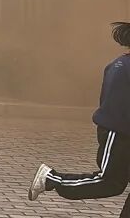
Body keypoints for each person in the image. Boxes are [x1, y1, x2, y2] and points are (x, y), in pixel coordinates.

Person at [29, 21, 130, 212]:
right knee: (110, 182)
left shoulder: (121, 65)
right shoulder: (122, 67)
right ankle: (51, 179)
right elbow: (117, 108)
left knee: (113, 183)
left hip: (120, 130)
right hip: (119, 134)